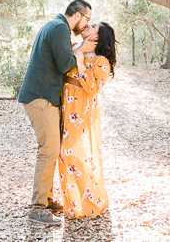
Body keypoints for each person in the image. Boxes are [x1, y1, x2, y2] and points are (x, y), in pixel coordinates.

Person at [18, 0, 97, 226]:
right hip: (41, 97)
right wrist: (82, 50)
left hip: (43, 96)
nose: (86, 25)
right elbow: (65, 65)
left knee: (50, 151)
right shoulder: (61, 27)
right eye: (87, 19)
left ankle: (47, 200)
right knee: (48, 151)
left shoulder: (56, 26)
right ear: (78, 15)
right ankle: (37, 209)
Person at [58, 21, 117, 219]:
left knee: (80, 156)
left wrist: (81, 61)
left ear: (98, 37)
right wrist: (78, 53)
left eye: (92, 26)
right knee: (64, 155)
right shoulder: (74, 48)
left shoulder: (102, 61)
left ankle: (90, 203)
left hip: (83, 111)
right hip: (65, 107)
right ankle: (73, 204)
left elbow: (92, 89)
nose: (86, 26)